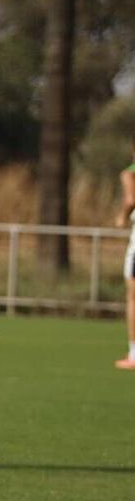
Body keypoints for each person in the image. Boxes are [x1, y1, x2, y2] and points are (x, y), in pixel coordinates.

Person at [115, 139, 135, 370]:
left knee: (133, 296)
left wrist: (121, 217)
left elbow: (131, 200)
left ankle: (134, 354)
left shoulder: (130, 174)